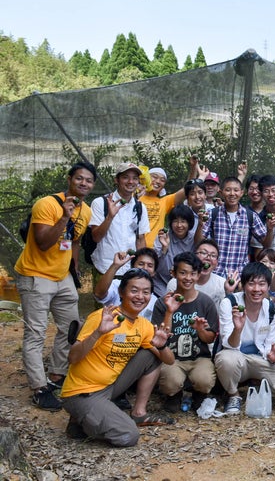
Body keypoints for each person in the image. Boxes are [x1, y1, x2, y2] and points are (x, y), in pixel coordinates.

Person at [60, 270, 175, 446]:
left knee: (151, 356)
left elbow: (169, 360)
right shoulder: (102, 318)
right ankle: (82, 420)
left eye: (146, 292)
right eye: (134, 290)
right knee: (128, 435)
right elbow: (73, 358)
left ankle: (138, 413)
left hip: (109, 386)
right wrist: (98, 333)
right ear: (121, 292)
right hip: (83, 392)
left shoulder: (143, 325)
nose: (140, 297)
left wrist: (161, 346)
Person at [15, 162, 95, 411]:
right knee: (36, 333)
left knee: (70, 327)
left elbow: (75, 241)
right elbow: (42, 242)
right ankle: (39, 388)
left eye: (89, 180)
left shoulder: (86, 211)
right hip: (35, 276)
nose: (84, 183)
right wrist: (64, 217)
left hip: (62, 277)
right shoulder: (47, 204)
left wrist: (74, 268)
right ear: (70, 179)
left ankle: (57, 375)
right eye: (79, 178)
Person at [215, 262, 275, 414]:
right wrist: (238, 329)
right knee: (225, 360)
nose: (257, 289)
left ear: (268, 287)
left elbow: (271, 345)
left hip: (260, 358)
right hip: (236, 356)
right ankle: (233, 394)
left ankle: (257, 383)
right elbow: (228, 345)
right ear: (243, 285)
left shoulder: (272, 310)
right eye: (251, 284)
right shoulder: (230, 303)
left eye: (262, 284)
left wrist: (273, 357)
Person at [151, 252, 219, 412]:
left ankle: (198, 394)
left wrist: (201, 330)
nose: (188, 278)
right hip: (171, 357)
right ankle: (174, 395)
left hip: (199, 357)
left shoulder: (206, 302)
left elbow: (210, 338)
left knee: (204, 380)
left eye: (193, 273)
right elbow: (161, 338)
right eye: (183, 273)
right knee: (170, 382)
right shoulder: (162, 303)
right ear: (173, 273)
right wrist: (169, 312)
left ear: (198, 275)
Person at [88, 162, 150, 275]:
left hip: (130, 269)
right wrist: (110, 217)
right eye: (125, 177)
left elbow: (140, 239)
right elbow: (96, 237)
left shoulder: (140, 207)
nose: (131, 182)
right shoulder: (100, 203)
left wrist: (141, 269)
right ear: (116, 180)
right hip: (104, 268)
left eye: (135, 178)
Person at [201, 176, 266, 278]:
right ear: (221, 192)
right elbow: (199, 241)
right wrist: (200, 224)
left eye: (236, 190)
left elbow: (266, 242)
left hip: (240, 276)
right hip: (215, 273)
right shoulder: (212, 214)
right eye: (228, 190)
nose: (232, 193)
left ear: (241, 192)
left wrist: (270, 228)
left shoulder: (250, 216)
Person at [138, 159, 206, 248]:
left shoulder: (164, 202)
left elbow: (188, 187)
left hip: (155, 250)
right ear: (146, 177)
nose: (158, 181)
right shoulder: (134, 197)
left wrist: (193, 168)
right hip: (133, 247)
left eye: (162, 180)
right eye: (154, 177)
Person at [94, 248, 160, 321]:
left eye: (150, 266)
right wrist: (115, 266)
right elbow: (98, 294)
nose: (145, 268)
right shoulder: (117, 285)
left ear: (154, 272)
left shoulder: (154, 301)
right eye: (141, 264)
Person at [152, 205, 195, 297]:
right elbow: (156, 267)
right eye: (175, 221)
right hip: (161, 283)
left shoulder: (194, 239)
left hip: (186, 283)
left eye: (183, 221)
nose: (179, 225)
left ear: (189, 223)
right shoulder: (163, 237)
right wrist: (164, 248)